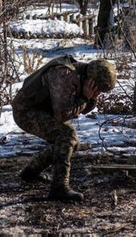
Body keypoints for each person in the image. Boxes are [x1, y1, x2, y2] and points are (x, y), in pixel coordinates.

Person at [11, 55, 116, 201]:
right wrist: (85, 98)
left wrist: (90, 98)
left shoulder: (85, 74)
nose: (98, 93)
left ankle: (31, 171)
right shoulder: (64, 75)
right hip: (25, 111)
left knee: (71, 143)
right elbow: (62, 115)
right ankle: (59, 187)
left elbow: (82, 110)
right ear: (91, 80)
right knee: (67, 135)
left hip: (42, 109)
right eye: (97, 89)